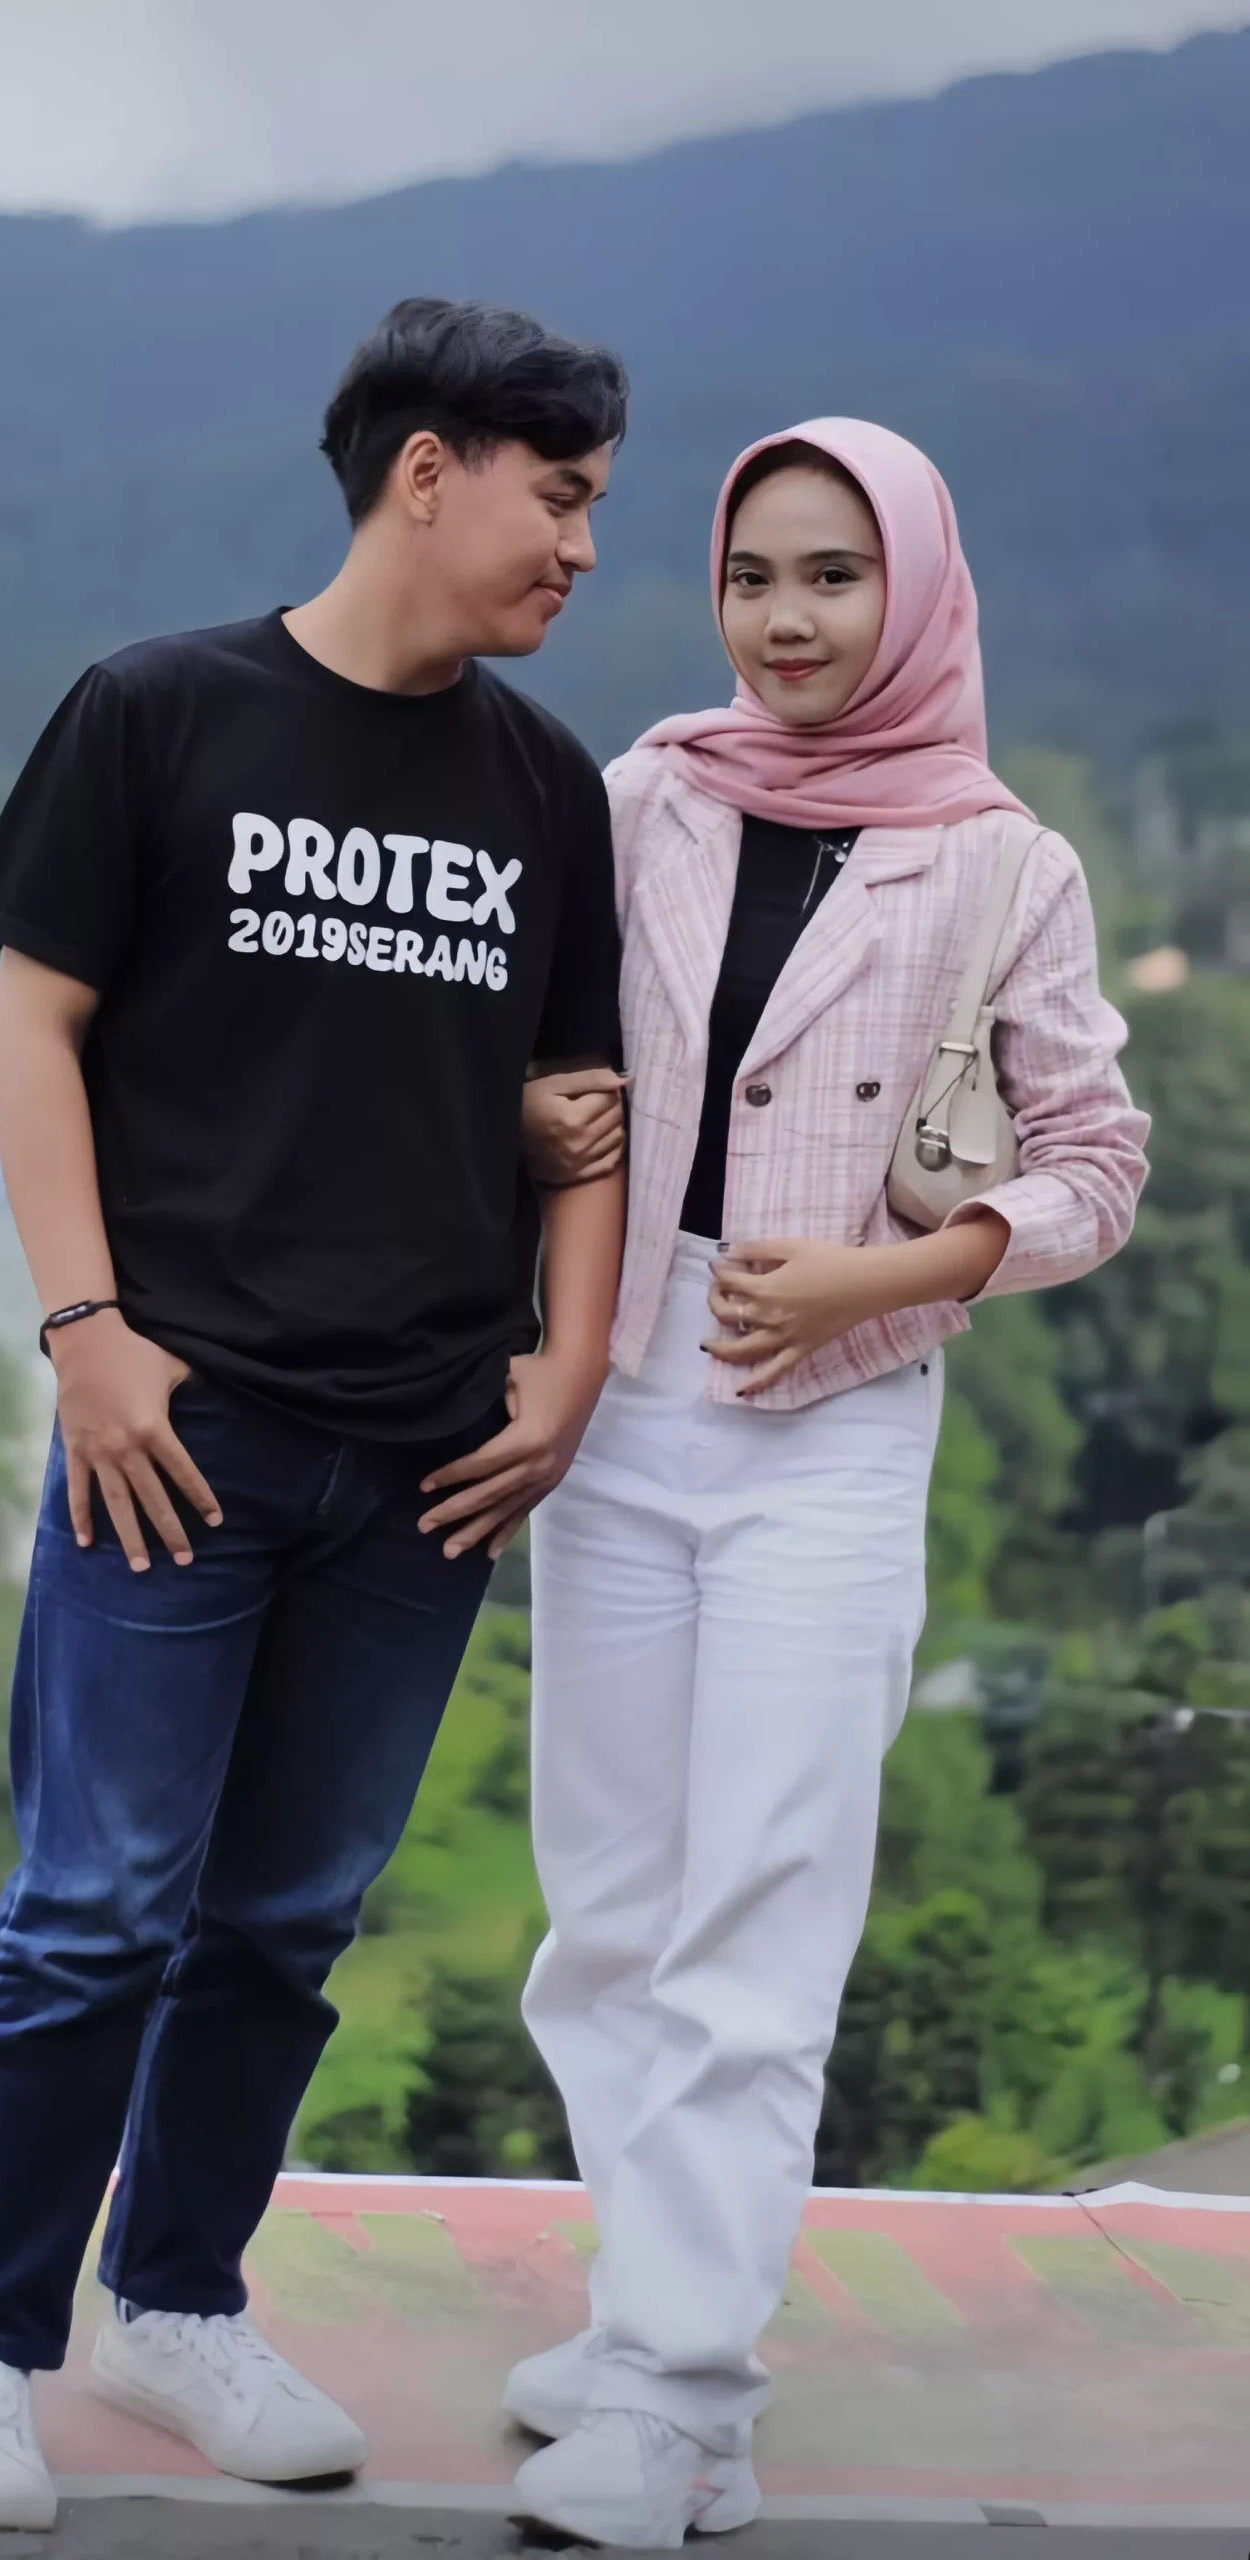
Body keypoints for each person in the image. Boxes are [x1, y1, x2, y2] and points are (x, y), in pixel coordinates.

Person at [0, 297, 630, 2533]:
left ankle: (175, 2300)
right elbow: (33, 1027)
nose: (584, 546)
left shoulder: (544, 787)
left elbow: (577, 1112)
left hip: (425, 1461)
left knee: (286, 1915)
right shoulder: (159, 708)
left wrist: (568, 1363)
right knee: (96, 1906)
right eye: (559, 496)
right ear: (426, 470)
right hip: (173, 1431)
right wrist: (84, 1329)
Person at [511, 417, 1150, 2547]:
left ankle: (684, 2394)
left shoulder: (1002, 861)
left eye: (833, 575)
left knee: (759, 1911)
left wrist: (894, 1269)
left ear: (918, 591)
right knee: (607, 1913)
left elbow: (1097, 1164)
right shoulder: (643, 796)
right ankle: (643, 2319)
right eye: (752, 573)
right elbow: (540, 1056)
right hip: (621, 1388)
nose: (785, 618)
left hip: (837, 1416)